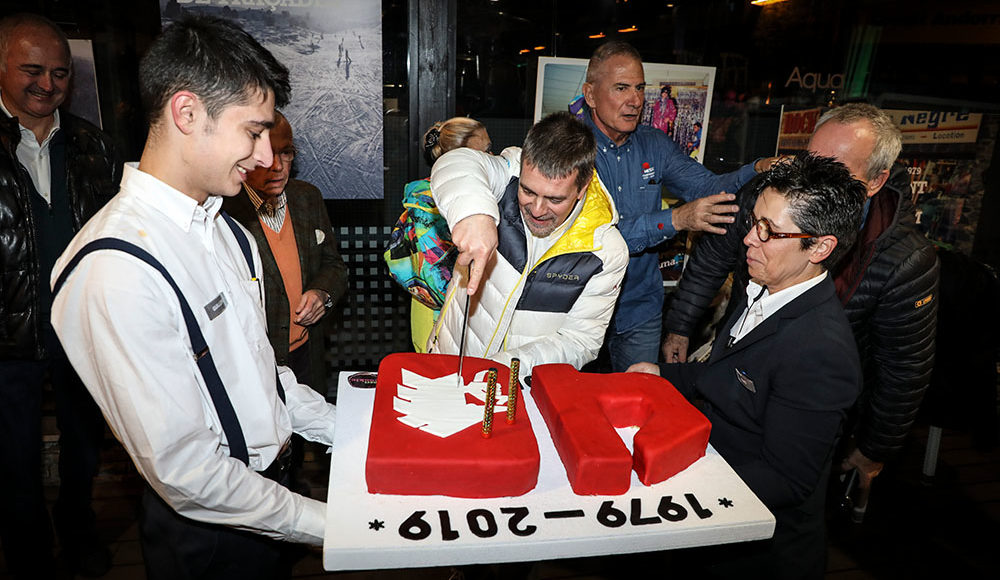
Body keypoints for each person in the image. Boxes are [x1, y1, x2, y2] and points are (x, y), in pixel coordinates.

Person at [50, 16, 336, 580]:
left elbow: (263, 375)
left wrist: (345, 427)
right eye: (253, 132)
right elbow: (186, 471)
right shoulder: (115, 266)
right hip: (210, 537)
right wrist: (330, 523)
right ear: (187, 113)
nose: (265, 157)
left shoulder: (229, 231)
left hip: (270, 500)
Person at [663, 103, 940, 492]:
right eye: (810, 160)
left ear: (876, 180)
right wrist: (671, 349)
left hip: (803, 417)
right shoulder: (771, 215)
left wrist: (874, 448)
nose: (750, 239)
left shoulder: (904, 262)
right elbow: (713, 262)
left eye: (835, 168)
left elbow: (904, 369)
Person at [630, 152, 867, 579]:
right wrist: (662, 375)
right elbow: (730, 376)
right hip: (711, 526)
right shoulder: (765, 285)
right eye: (754, 222)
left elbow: (784, 479)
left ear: (820, 246)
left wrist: (670, 477)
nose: (748, 240)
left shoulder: (820, 352)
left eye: (769, 231)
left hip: (755, 556)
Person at [0, 13, 119, 577]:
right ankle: (29, 555)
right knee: (13, 459)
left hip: (81, 330)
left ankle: (78, 533)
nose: (47, 84)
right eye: (32, 70)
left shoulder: (95, 146)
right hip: (7, 336)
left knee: (84, 449)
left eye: (60, 73)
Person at [580, 40, 773, 372]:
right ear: (591, 95)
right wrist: (677, 219)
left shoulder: (654, 144)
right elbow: (596, 237)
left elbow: (708, 187)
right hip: (580, 308)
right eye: (621, 88)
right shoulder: (571, 147)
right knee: (569, 398)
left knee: (638, 398)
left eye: (640, 88)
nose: (635, 100)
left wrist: (755, 169)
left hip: (639, 309)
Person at [426, 111, 628, 377]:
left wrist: (502, 368)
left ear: (582, 188)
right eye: (528, 191)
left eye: (555, 199)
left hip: (517, 386)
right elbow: (455, 162)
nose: (537, 209)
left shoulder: (606, 251)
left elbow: (580, 342)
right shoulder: (507, 178)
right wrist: (474, 214)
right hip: (448, 363)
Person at [222, 110, 347, 495]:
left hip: (307, 348)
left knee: (309, 439)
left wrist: (322, 293)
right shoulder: (225, 210)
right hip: (258, 358)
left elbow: (334, 266)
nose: (277, 165)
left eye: (287, 153)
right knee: (269, 455)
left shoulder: (307, 197)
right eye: (268, 154)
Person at [389, 117, 491, 353]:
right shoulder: (429, 204)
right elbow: (434, 279)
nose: (492, 158)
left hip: (461, 313)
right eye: (485, 152)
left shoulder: (475, 198)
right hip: (438, 317)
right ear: (459, 158)